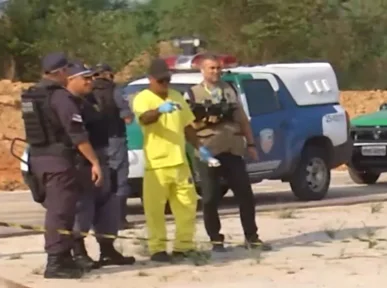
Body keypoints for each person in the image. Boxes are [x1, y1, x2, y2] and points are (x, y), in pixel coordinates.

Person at [20, 52, 102, 279]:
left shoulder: (33, 95)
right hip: (59, 161)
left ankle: (64, 258)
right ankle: (55, 262)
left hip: (39, 158)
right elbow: (77, 134)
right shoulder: (60, 98)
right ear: (62, 72)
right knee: (60, 211)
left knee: (62, 210)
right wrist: (94, 161)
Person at [131, 58, 217, 262]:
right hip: (157, 164)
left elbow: (188, 126)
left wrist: (200, 149)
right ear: (150, 79)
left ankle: (183, 246)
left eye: (167, 80)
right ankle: (157, 249)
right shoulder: (143, 98)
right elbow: (144, 118)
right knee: (155, 210)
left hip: (179, 162)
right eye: (160, 81)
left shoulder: (176, 96)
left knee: (187, 205)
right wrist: (159, 111)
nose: (164, 85)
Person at [187, 56, 269, 251]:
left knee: (245, 195)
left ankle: (251, 236)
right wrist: (199, 144)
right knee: (209, 197)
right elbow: (188, 125)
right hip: (208, 149)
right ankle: (215, 239)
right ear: (202, 70)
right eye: (211, 68)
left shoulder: (229, 90)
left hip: (232, 149)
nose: (215, 72)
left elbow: (242, 120)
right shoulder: (193, 94)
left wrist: (251, 144)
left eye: (218, 68)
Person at [65, 62, 136, 270]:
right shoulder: (66, 102)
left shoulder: (92, 99)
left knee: (108, 202)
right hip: (83, 160)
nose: (91, 81)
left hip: (104, 154)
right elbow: (75, 135)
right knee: (83, 206)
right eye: (86, 78)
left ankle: (107, 249)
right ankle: (78, 251)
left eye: (91, 76)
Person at [92, 64, 134, 228]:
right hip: (115, 139)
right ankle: (119, 219)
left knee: (101, 178)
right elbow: (128, 118)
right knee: (120, 178)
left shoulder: (87, 91)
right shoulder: (115, 91)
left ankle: (98, 218)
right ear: (108, 74)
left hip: (96, 141)